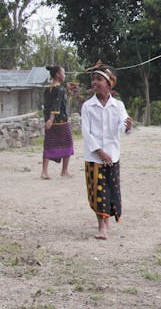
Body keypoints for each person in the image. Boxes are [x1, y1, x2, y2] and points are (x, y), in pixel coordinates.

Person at [81, 64, 133, 240]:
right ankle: (101, 226)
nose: (95, 82)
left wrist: (127, 126)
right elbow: (86, 133)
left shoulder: (118, 106)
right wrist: (99, 151)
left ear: (109, 83)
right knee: (98, 192)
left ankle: (106, 218)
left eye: (99, 79)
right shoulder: (88, 106)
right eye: (93, 79)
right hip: (94, 157)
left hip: (113, 155)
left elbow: (122, 126)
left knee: (110, 191)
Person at [41, 65, 74, 179]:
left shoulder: (48, 89)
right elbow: (55, 105)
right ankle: (64, 171)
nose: (64, 75)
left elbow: (46, 106)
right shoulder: (60, 89)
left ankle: (44, 171)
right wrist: (51, 119)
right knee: (68, 143)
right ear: (57, 75)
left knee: (48, 144)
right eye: (63, 73)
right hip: (60, 122)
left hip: (50, 122)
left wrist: (48, 120)